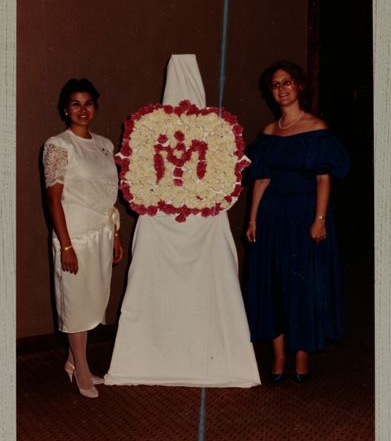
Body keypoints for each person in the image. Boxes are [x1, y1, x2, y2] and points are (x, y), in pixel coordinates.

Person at [105, 55, 260, 387]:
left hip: (197, 227)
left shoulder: (216, 130)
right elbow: (136, 182)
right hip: (166, 227)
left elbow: (229, 182)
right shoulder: (150, 128)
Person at [244, 60, 350, 383]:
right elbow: (260, 180)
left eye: (287, 82)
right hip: (273, 216)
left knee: (303, 285)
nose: (282, 88)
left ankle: (301, 357)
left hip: (305, 213)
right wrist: (252, 220)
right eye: (276, 85)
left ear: (299, 86)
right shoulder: (268, 133)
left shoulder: (317, 129)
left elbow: (323, 179)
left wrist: (319, 219)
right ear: (271, 93)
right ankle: (278, 357)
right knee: (273, 284)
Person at [43, 78, 123, 398]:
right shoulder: (58, 145)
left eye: (88, 103)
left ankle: (73, 361)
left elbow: (108, 194)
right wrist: (65, 244)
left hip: (101, 232)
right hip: (74, 235)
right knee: (76, 301)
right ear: (66, 109)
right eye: (75, 103)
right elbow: (53, 199)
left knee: (92, 301)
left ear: (96, 107)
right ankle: (83, 370)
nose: (82, 109)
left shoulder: (104, 144)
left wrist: (115, 234)